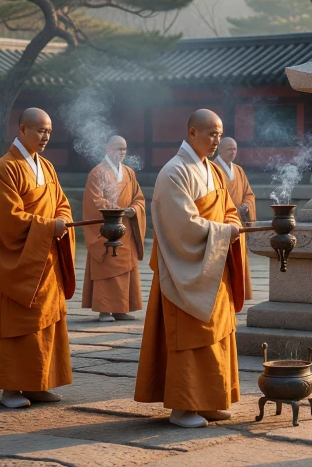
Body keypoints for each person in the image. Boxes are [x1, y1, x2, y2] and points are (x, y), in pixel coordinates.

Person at [135, 109, 246, 428]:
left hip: (212, 264)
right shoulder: (174, 172)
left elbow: (228, 209)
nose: (217, 140)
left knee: (215, 335)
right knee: (191, 335)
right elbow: (180, 224)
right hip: (184, 267)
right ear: (192, 132)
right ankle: (183, 407)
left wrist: (231, 225)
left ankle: (208, 400)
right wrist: (224, 232)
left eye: (220, 133)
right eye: (211, 133)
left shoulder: (212, 171)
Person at [0, 108, 76, 409]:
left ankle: (38, 383)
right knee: (18, 324)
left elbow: (62, 204)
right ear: (22, 129)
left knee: (44, 325)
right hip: (17, 261)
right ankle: (11, 387)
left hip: (46, 260)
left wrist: (61, 222)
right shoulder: (4, 168)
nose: (46, 137)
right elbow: (8, 218)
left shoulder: (48, 167)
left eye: (50, 131)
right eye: (40, 130)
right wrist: (47, 227)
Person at [81, 135, 146, 322]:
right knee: (107, 266)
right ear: (108, 149)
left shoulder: (129, 173)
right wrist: (116, 211)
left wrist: (133, 210)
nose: (122, 152)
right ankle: (104, 310)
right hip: (107, 227)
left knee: (126, 269)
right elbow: (95, 201)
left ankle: (121, 309)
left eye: (124, 149)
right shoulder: (97, 172)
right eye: (118, 148)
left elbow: (139, 197)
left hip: (126, 226)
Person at [216, 137, 256, 301]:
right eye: (229, 149)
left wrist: (246, 205)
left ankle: (238, 294)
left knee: (239, 257)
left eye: (235, 149)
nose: (233, 152)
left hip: (238, 221)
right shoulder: (212, 168)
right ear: (220, 150)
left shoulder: (239, 170)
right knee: (222, 261)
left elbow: (249, 194)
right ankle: (223, 296)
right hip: (221, 221)